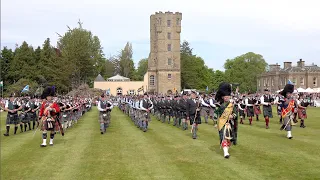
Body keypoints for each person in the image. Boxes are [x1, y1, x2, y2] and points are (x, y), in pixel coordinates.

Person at [214, 82, 238, 158]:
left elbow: (235, 113)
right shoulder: (218, 105)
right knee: (223, 137)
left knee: (229, 139)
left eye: (228, 96)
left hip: (230, 124)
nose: (227, 97)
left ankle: (226, 150)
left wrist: (232, 116)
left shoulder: (232, 105)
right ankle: (226, 153)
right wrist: (215, 123)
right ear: (222, 97)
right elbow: (215, 114)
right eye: (225, 96)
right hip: (222, 123)